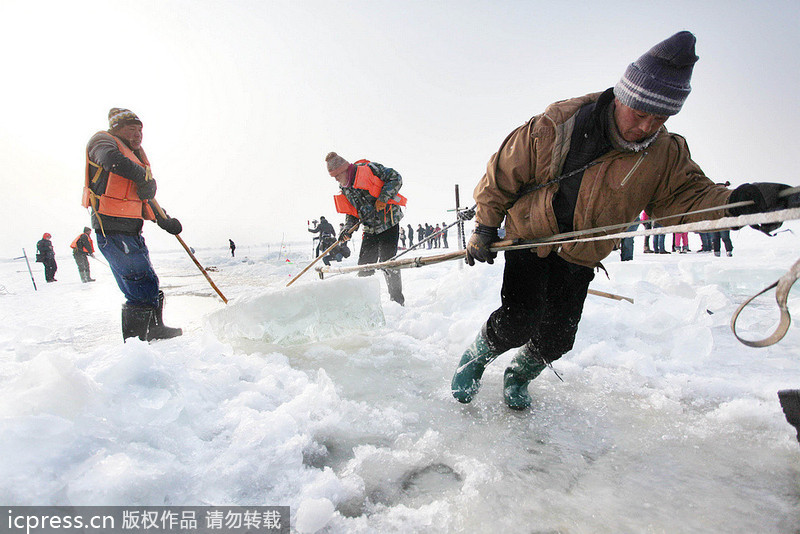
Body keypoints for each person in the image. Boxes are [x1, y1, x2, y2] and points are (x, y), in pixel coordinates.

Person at [451, 31, 798, 410]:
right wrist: (485, 227)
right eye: (640, 113)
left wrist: (740, 203)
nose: (647, 127)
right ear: (622, 97)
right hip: (530, 240)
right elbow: (501, 174)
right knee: (518, 319)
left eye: (660, 117)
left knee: (557, 339)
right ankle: (476, 357)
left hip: (581, 255)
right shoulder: (557, 125)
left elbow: (689, 200)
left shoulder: (664, 154)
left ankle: (519, 374)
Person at [83, 108, 183, 341]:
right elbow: (111, 161)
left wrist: (165, 220)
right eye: (131, 129)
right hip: (112, 229)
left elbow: (144, 198)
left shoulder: (134, 156)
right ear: (117, 129)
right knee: (138, 284)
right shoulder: (102, 142)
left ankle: (155, 329)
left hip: (131, 230)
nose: (138, 135)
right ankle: (136, 344)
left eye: (140, 130)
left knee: (148, 281)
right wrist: (143, 176)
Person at [326, 151, 406, 305]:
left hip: (389, 222)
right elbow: (352, 213)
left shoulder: (369, 168)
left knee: (387, 262)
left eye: (336, 175)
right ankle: (365, 305)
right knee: (364, 267)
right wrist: (347, 229)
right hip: (370, 228)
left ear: (343, 170)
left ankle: (397, 302)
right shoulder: (345, 188)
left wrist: (383, 198)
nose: (336, 179)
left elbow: (396, 178)